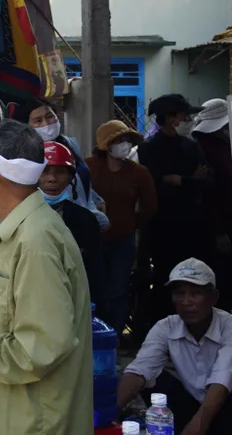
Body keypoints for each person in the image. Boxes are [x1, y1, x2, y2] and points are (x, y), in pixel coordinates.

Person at [0, 120, 93, 435]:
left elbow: (41, 345)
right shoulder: (21, 229)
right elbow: (20, 314)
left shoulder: (35, 241)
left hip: (30, 421)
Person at [118, 258, 232, 434]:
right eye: (179, 293)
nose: (186, 301)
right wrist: (105, 414)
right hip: (192, 403)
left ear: (213, 297)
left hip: (225, 406)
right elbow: (140, 369)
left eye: (196, 293)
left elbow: (222, 380)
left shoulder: (228, 326)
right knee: (152, 379)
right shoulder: (166, 327)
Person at [138, 94, 213, 329]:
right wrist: (190, 181)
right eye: (184, 116)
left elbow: (208, 181)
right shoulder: (149, 148)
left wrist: (180, 181)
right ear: (170, 119)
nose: (188, 120)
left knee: (195, 282)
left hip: (194, 226)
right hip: (164, 228)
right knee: (166, 282)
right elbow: (157, 187)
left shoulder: (191, 145)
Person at [86, 120, 158, 334]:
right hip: (92, 240)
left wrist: (131, 224)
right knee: (92, 288)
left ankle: (114, 336)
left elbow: (150, 207)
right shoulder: (88, 167)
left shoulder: (139, 173)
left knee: (118, 290)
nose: (124, 145)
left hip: (122, 240)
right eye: (118, 140)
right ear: (106, 145)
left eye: (126, 140)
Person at [11, 98, 109, 228]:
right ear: (27, 127)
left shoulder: (70, 144)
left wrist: (93, 199)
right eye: (38, 121)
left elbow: (80, 176)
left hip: (83, 215)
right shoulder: (26, 155)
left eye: (50, 116)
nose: (46, 124)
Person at [40, 141, 106, 313]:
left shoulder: (85, 220)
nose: (52, 178)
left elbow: (95, 271)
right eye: (45, 171)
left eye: (60, 172)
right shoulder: (18, 215)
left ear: (71, 177)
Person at [193, 99, 232, 306]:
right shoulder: (205, 148)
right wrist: (219, 231)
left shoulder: (221, 146)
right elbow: (210, 193)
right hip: (215, 227)